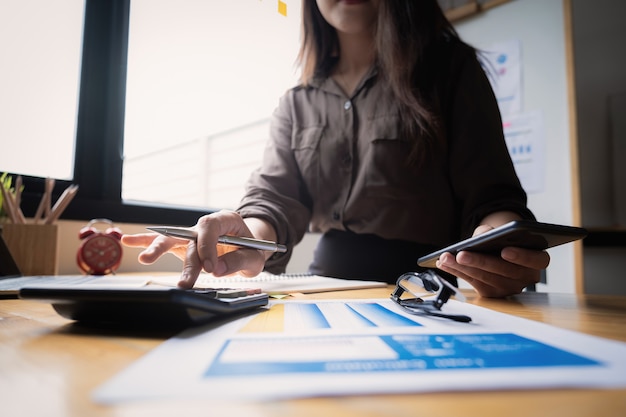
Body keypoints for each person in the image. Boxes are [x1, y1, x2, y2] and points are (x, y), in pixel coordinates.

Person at [122, 0, 550, 298]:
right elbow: (275, 199)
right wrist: (247, 238)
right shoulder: (297, 100)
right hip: (325, 287)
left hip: (431, 288)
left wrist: (496, 249)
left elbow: (492, 196)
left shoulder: (451, 72)